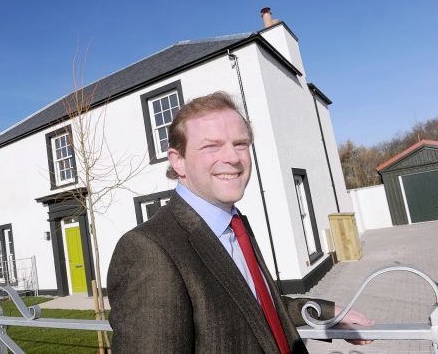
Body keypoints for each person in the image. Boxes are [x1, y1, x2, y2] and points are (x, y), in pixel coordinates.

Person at [107, 92, 373, 353]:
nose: (233, 158)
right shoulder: (148, 250)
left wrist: (327, 313)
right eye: (212, 146)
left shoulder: (235, 225)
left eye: (240, 144)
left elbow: (255, 307)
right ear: (178, 161)